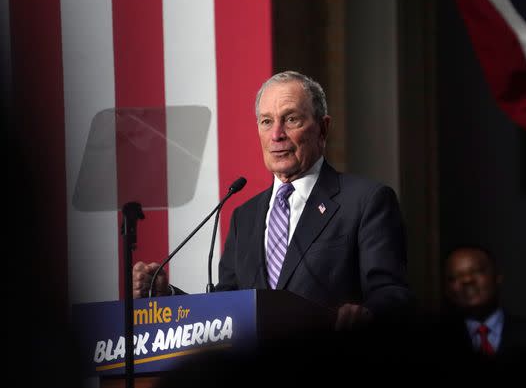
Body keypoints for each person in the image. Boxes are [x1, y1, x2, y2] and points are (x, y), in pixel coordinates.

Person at [132, 71, 411, 329]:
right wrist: (166, 295)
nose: (276, 134)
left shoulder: (365, 201)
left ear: (323, 129)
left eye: (291, 119)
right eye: (267, 122)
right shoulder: (245, 216)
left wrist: (368, 315)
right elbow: (224, 308)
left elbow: (391, 293)